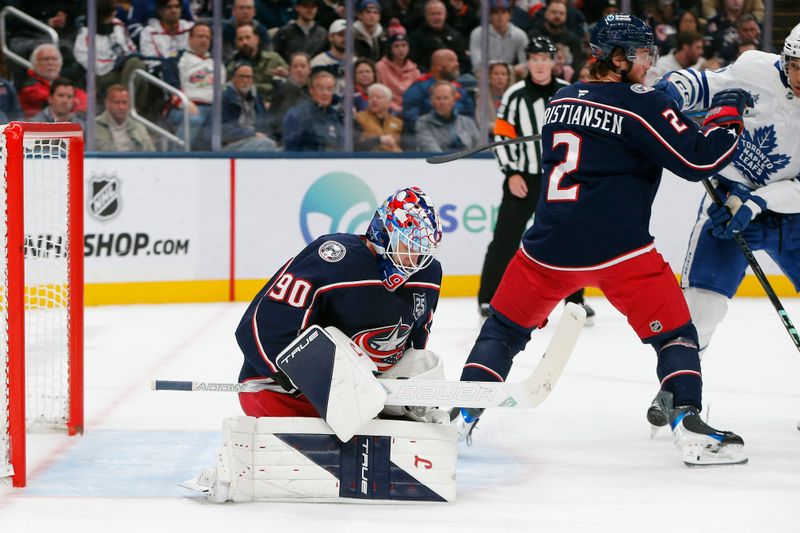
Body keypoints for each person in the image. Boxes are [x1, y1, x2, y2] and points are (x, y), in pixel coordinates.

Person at [453, 14, 751, 466]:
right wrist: (727, 119)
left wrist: (658, 109)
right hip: (620, 251)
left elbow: (610, 128)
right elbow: (699, 160)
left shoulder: (560, 99)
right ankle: (687, 421)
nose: (650, 63)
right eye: (643, 53)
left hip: (547, 249)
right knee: (675, 335)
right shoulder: (642, 103)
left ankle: (462, 415)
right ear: (617, 57)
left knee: (504, 329)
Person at [184, 187, 451, 503]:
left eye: (423, 251)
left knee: (423, 365)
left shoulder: (429, 275)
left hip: (364, 396)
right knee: (334, 350)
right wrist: (308, 384)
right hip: (282, 392)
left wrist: (397, 397)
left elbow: (412, 348)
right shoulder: (333, 258)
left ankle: (418, 437)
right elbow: (256, 326)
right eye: (408, 246)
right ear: (384, 232)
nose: (415, 260)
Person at [644, 22, 800, 430]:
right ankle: (677, 388)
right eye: (798, 66)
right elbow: (704, 85)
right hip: (728, 202)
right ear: (785, 60)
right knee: (700, 307)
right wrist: (673, 90)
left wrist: (759, 201)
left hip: (792, 215)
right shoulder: (755, 68)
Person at [477, 36, 592, 320]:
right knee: (505, 238)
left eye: (545, 58)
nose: (540, 64)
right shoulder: (515, 95)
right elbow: (502, 136)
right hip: (523, 179)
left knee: (569, 238)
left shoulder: (571, 92)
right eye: (535, 58)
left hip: (561, 180)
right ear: (527, 62)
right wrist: (512, 172)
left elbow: (585, 135)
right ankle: (489, 297)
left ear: (553, 62)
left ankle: (575, 300)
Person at [167, 23, 223, 150]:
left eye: (207, 37)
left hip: (212, 109)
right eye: (200, 36)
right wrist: (186, 103)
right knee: (194, 120)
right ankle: (176, 159)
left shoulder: (217, 63)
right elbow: (172, 88)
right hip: (185, 108)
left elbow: (222, 90)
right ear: (190, 38)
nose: (204, 40)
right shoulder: (178, 60)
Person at [402, 48, 474, 135]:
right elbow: (411, 117)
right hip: (429, 135)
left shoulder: (459, 89)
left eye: (456, 60)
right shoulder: (419, 87)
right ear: (438, 66)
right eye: (451, 60)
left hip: (458, 136)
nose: (457, 64)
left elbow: (469, 115)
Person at [18, 44, 88, 118]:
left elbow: (83, 97)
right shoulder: (28, 86)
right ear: (35, 63)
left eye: (54, 59)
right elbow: (57, 103)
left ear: (60, 63)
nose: (51, 63)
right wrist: (77, 103)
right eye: (45, 59)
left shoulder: (61, 81)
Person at [226, 23, 289, 105]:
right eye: (240, 39)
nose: (245, 42)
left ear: (257, 39)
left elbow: (291, 81)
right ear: (236, 43)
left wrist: (286, 75)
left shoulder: (274, 59)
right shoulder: (233, 65)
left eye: (248, 37)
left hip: (273, 104)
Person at [222, 62, 279, 152]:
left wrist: (267, 136)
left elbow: (265, 123)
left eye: (248, 77)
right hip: (232, 143)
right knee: (265, 145)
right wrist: (250, 134)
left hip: (256, 140)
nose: (245, 80)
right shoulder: (224, 98)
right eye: (241, 76)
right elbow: (222, 130)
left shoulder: (256, 97)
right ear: (233, 78)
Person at [282, 69, 343, 151]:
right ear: (311, 90)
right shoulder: (297, 114)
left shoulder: (336, 116)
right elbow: (291, 149)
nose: (325, 93)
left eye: (329, 89)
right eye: (320, 88)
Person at [469, 0, 529, 79]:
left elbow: (526, 62)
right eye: (496, 12)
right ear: (489, 16)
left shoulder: (519, 34)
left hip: (511, 75)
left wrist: (507, 71)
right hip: (486, 76)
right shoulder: (478, 33)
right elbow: (477, 64)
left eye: (503, 12)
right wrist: (500, 70)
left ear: (509, 15)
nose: (500, 16)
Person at [415, 81, 481, 152]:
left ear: (454, 100)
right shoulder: (423, 123)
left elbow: (480, 150)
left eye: (446, 98)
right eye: (438, 98)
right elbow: (432, 152)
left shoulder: (468, 122)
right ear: (432, 101)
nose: (442, 102)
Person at [408, 0, 469, 72]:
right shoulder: (416, 37)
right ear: (426, 16)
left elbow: (463, 62)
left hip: (453, 76)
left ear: (445, 15)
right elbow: (413, 62)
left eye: (439, 14)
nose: (436, 17)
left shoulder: (456, 36)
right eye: (432, 14)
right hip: (426, 76)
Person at [375, 22, 421, 114]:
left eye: (404, 45)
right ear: (390, 48)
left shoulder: (415, 70)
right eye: (396, 46)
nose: (401, 49)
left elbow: (418, 95)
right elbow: (378, 93)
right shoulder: (380, 67)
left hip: (410, 111)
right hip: (388, 109)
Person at [95, 84, 156, 152]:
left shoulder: (138, 126)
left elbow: (151, 154)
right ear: (107, 103)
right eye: (117, 102)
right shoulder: (93, 126)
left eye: (124, 103)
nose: (121, 107)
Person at [269, 52, 311, 141]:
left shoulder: (314, 91)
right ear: (290, 70)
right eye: (295, 67)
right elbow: (274, 119)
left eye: (303, 66)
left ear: (309, 69)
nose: (299, 70)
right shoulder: (281, 91)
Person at [138, 0, 194, 66]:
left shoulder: (191, 28)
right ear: (160, 11)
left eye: (177, 6)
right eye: (169, 7)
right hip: (160, 72)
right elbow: (151, 61)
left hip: (190, 69)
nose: (174, 10)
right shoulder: (148, 33)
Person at [354, 83, 404, 152]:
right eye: (371, 97)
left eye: (378, 97)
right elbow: (355, 145)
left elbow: (406, 146)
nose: (374, 100)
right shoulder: (358, 118)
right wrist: (379, 140)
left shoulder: (398, 122)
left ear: (389, 102)